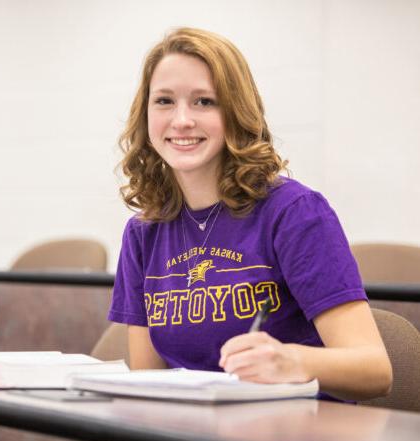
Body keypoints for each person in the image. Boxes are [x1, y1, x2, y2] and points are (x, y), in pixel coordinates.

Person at [109, 27, 392, 402]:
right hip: (192, 431)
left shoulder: (295, 213)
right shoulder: (143, 231)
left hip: (298, 432)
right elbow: (148, 383)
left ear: (235, 111)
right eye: (163, 101)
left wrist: (292, 360)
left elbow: (375, 370)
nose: (181, 121)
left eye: (204, 102)